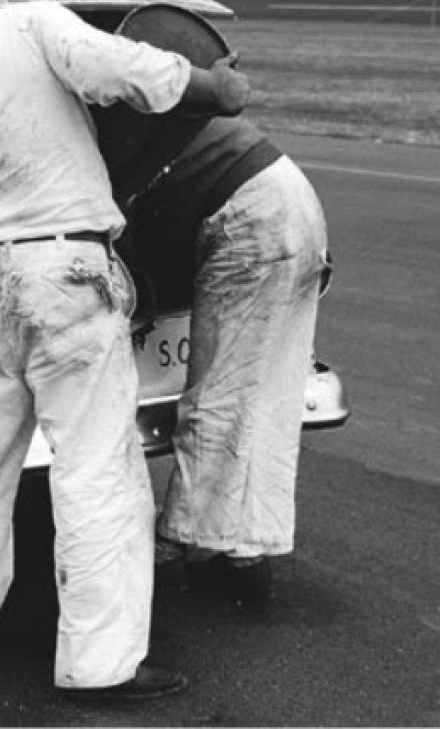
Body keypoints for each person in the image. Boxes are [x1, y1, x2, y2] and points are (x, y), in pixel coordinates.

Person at [0, 0, 249, 700]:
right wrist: (217, 87)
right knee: (95, 467)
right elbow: (128, 72)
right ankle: (100, 664)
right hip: (64, 274)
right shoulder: (27, 25)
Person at [121, 115, 328, 605]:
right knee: (269, 395)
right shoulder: (164, 107)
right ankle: (245, 551)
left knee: (218, 395)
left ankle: (180, 545)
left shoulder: (105, 127)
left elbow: (121, 231)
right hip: (295, 201)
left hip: (249, 220)